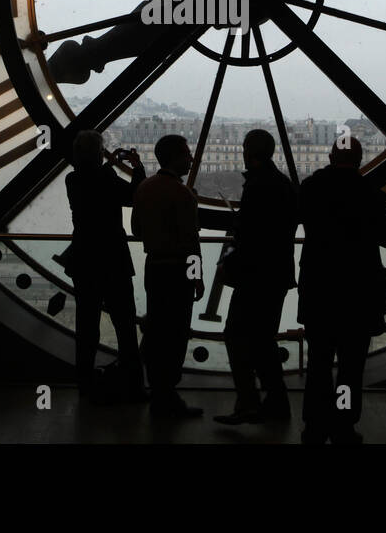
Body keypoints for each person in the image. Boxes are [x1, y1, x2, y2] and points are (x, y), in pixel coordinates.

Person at [297, 137, 386, 444]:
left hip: (320, 289)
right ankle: (343, 424)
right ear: (359, 158)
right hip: (359, 292)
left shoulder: (312, 190)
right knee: (350, 368)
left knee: (318, 363)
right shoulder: (371, 194)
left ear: (329, 156)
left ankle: (315, 425)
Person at [213, 129, 299, 425]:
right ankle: (272, 401)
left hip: (255, 279)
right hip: (274, 277)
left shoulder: (257, 187)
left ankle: (250, 401)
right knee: (262, 342)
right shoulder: (281, 185)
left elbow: (251, 240)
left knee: (238, 337)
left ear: (248, 152)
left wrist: (229, 265)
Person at [64, 130, 147, 403]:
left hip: (84, 259)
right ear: (99, 152)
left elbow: (95, 180)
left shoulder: (73, 180)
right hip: (112, 260)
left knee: (86, 325)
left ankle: (85, 382)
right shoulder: (106, 177)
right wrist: (137, 168)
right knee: (125, 324)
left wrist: (110, 163)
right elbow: (133, 195)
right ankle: (133, 383)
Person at [130, 134, 205, 418]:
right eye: (187, 154)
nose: (190, 158)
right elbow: (190, 241)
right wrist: (197, 277)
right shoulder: (183, 194)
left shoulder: (145, 188)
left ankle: (159, 391)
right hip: (178, 271)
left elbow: (137, 230)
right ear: (175, 157)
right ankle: (167, 394)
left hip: (156, 268)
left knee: (159, 329)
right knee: (175, 333)